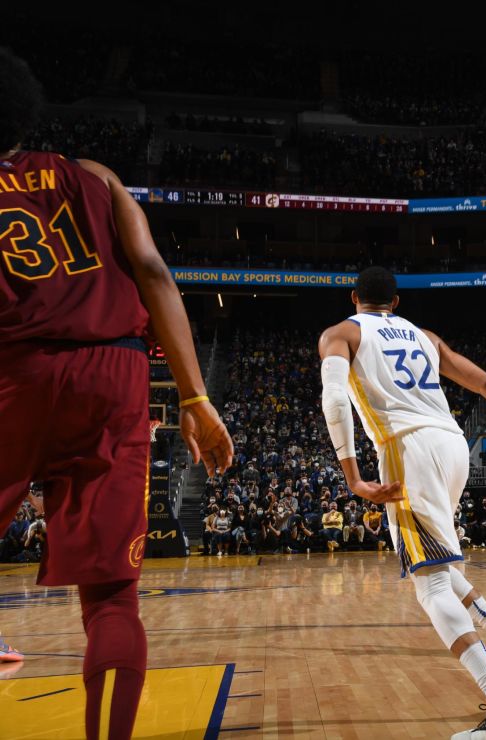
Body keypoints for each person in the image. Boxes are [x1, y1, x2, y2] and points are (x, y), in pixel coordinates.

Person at [0, 51, 233, 740]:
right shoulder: (94, 177)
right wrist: (194, 397)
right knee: (110, 600)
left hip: (13, 370)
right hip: (114, 373)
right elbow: (155, 272)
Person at [318, 266, 486, 738]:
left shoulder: (341, 333)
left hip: (408, 448)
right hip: (451, 446)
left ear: (353, 298)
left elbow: (334, 400)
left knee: (430, 587)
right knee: (443, 568)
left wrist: (354, 477)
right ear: (397, 303)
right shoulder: (425, 336)